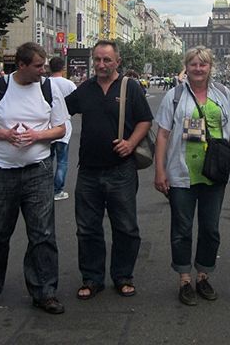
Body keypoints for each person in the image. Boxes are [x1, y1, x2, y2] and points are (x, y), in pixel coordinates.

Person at [0, 42, 69, 315]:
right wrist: (4, 134)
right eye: (38, 66)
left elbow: (60, 128)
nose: (43, 70)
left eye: (44, 65)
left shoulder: (49, 89)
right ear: (22, 65)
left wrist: (37, 135)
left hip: (38, 170)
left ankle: (45, 292)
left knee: (43, 234)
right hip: (2, 171)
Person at [65, 40, 153, 300]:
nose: (101, 64)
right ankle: (92, 278)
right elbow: (59, 110)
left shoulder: (130, 87)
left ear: (117, 62)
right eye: (97, 59)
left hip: (121, 169)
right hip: (88, 170)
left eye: (107, 60)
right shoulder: (85, 89)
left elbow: (145, 120)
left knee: (125, 227)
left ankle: (123, 276)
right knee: (87, 228)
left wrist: (131, 143)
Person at [153, 46, 230, 306]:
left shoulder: (223, 94)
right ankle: (185, 279)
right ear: (186, 67)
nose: (198, 69)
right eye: (193, 64)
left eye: (203, 64)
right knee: (182, 229)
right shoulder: (175, 96)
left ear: (210, 67)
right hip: (182, 172)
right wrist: (160, 170)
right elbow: (162, 134)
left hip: (215, 173)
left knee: (210, 229)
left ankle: (203, 275)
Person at [49, 57, 77, 201]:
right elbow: (77, 102)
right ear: (63, 68)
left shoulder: (44, 83)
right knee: (62, 161)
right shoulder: (69, 84)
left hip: (47, 127)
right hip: (64, 127)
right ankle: (57, 190)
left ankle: (45, 188)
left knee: (47, 159)